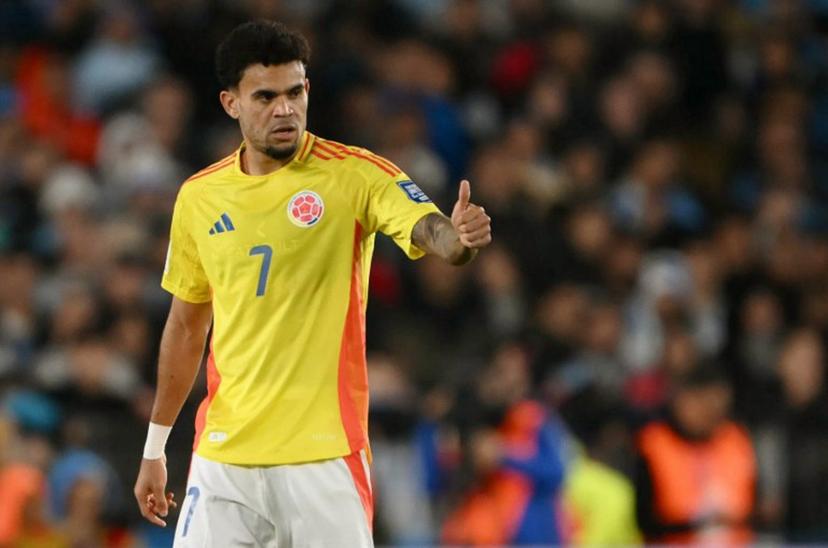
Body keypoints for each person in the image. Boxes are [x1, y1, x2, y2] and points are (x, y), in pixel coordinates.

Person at [132, 20, 492, 548]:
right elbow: (186, 329)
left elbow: (430, 229)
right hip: (224, 455)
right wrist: (155, 448)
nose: (285, 109)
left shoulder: (355, 175)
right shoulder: (199, 197)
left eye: (294, 92)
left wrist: (457, 240)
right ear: (231, 103)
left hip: (324, 455)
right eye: (266, 97)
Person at [634, 365, 756, 544]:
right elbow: (643, 520)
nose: (709, 414)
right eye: (703, 404)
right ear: (682, 400)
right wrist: (696, 526)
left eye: (717, 408)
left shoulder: (736, 440)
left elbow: (756, 508)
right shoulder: (654, 444)